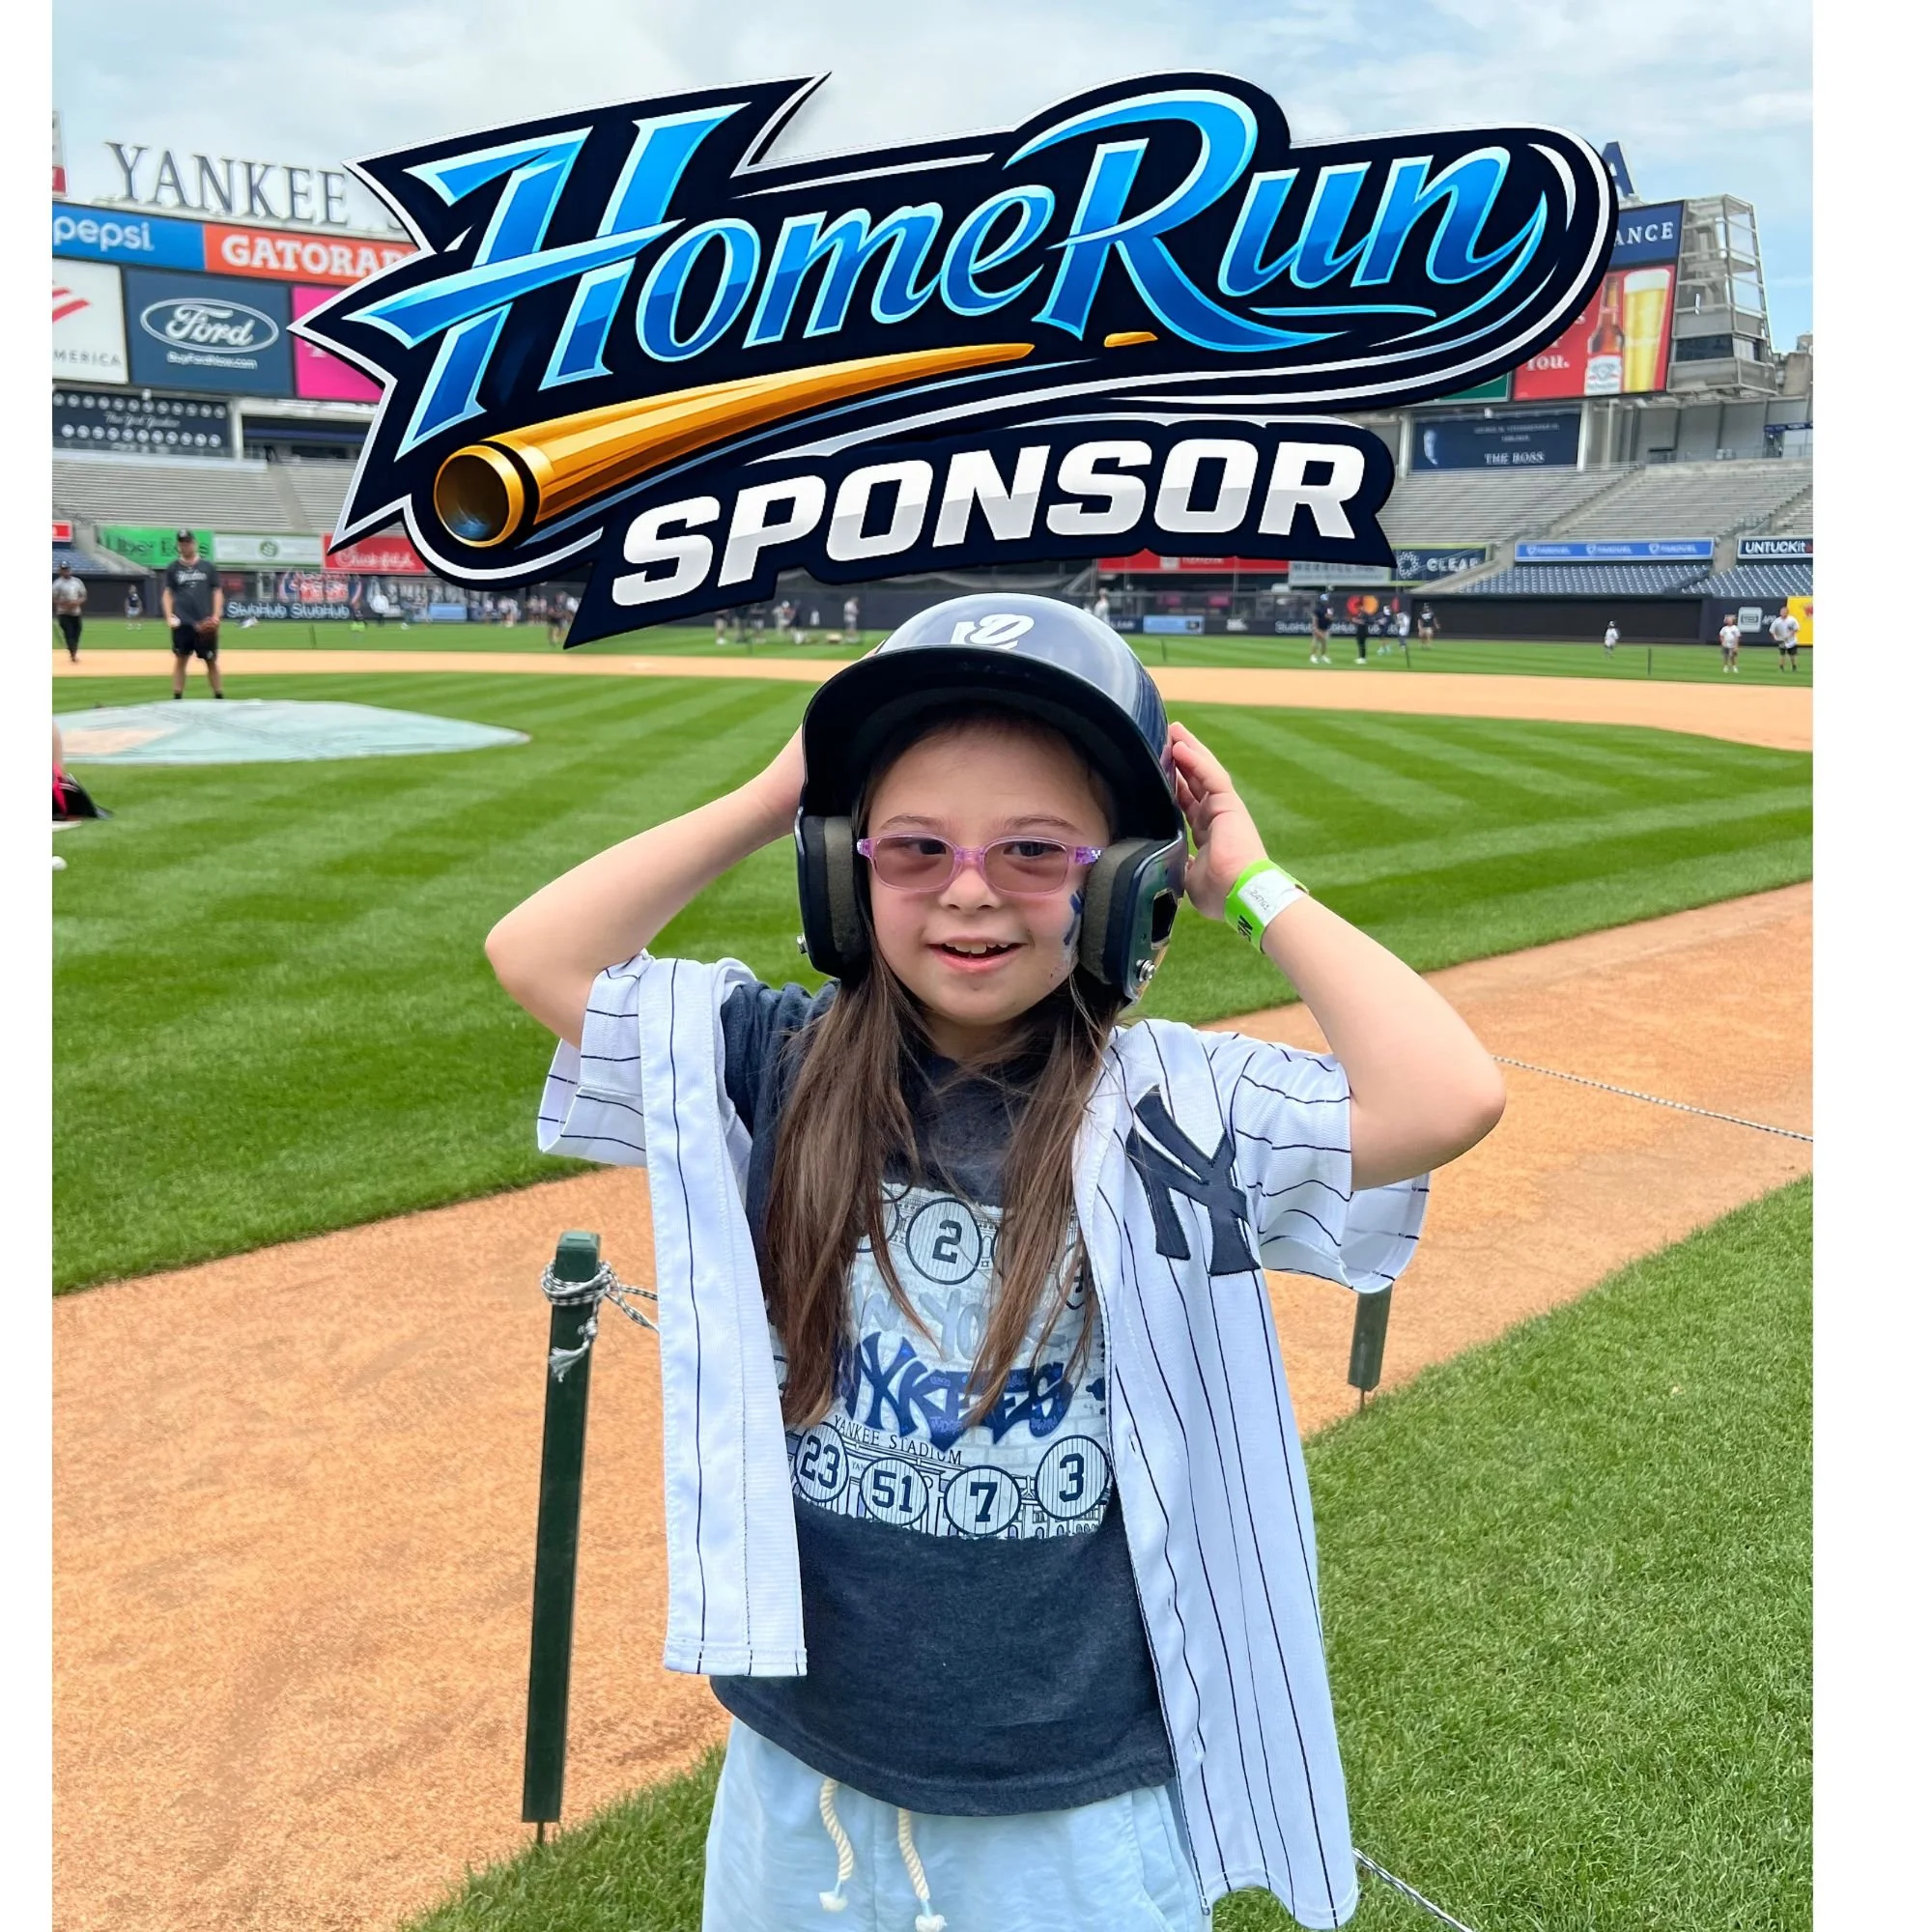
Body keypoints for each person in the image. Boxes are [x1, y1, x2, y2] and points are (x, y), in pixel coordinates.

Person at [484, 595, 1505, 1932]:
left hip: (1072, 1791)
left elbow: (1447, 1097)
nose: (969, 890)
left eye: (1035, 851)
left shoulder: (1172, 1111)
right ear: (842, 873)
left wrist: (1246, 881)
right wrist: (783, 787)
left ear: (1123, 883)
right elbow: (536, 954)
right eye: (914, 849)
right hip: (809, 1753)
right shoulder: (776, 1063)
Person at [161, 530, 223, 699]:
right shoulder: (173, 568)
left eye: (188, 542)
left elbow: (217, 591)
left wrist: (216, 615)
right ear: (178, 545)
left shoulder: (207, 567)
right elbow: (167, 593)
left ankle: (219, 696)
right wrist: (169, 616)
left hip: (205, 621)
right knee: (181, 659)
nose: (185, 546)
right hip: (183, 622)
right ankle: (177, 697)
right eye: (182, 543)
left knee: (210, 660)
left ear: (194, 544)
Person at [52, 562, 87, 663]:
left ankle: (73, 650)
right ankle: (73, 654)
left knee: (77, 632)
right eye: (63, 569)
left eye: (67, 569)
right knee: (68, 632)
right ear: (60, 571)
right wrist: (62, 603)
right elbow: (53, 597)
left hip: (76, 612)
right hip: (63, 612)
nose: (65, 571)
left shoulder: (77, 582)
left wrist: (77, 602)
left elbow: (83, 595)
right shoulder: (57, 583)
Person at [1309, 593, 1332, 664]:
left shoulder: (1328, 609)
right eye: (1324, 600)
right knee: (1315, 641)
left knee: (1324, 642)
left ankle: (1323, 656)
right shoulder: (1317, 609)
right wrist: (1315, 628)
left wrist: (1329, 617)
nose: (1326, 601)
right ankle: (1313, 656)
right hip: (1318, 627)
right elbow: (1314, 618)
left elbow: (1330, 618)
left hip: (1325, 627)